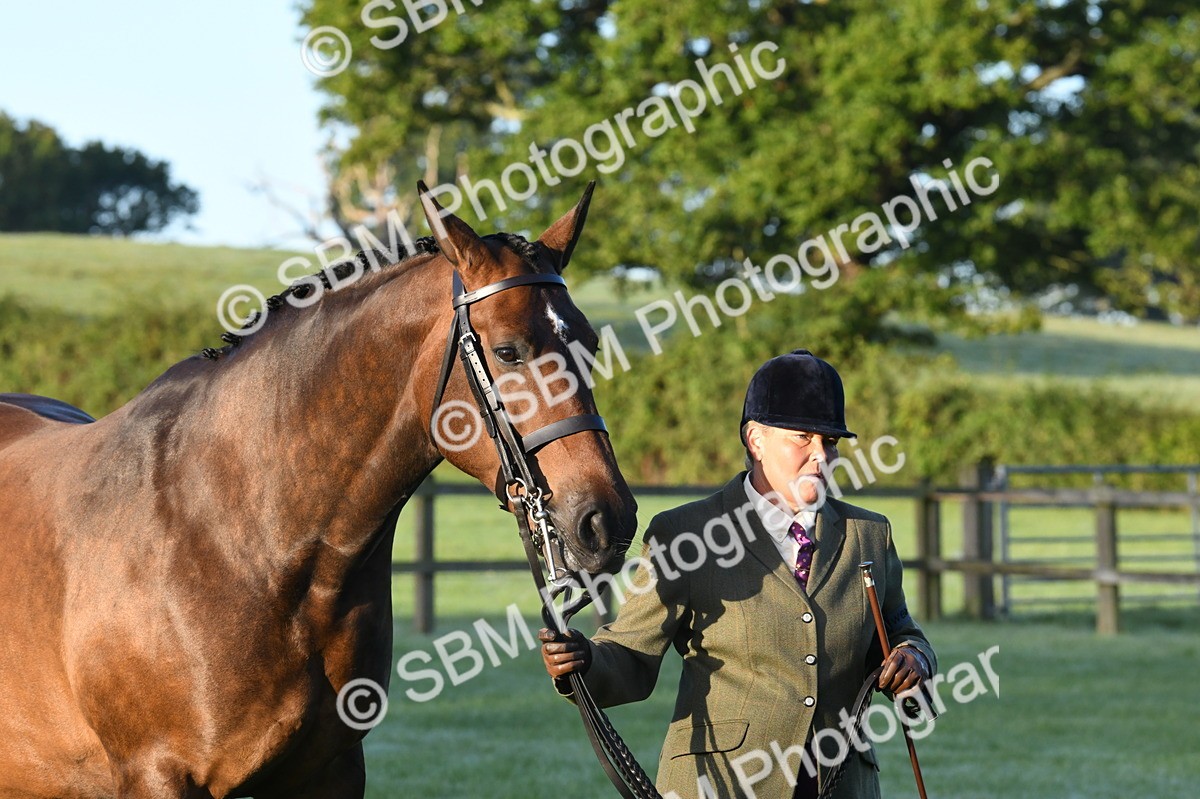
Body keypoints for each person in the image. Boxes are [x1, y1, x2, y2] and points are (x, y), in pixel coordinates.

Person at [539, 349, 936, 799]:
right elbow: (631, 652)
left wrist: (914, 659)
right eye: (802, 438)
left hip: (842, 782)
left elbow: (902, 631)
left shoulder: (870, 534)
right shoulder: (684, 535)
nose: (820, 455)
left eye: (830, 442)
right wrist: (584, 662)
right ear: (755, 440)